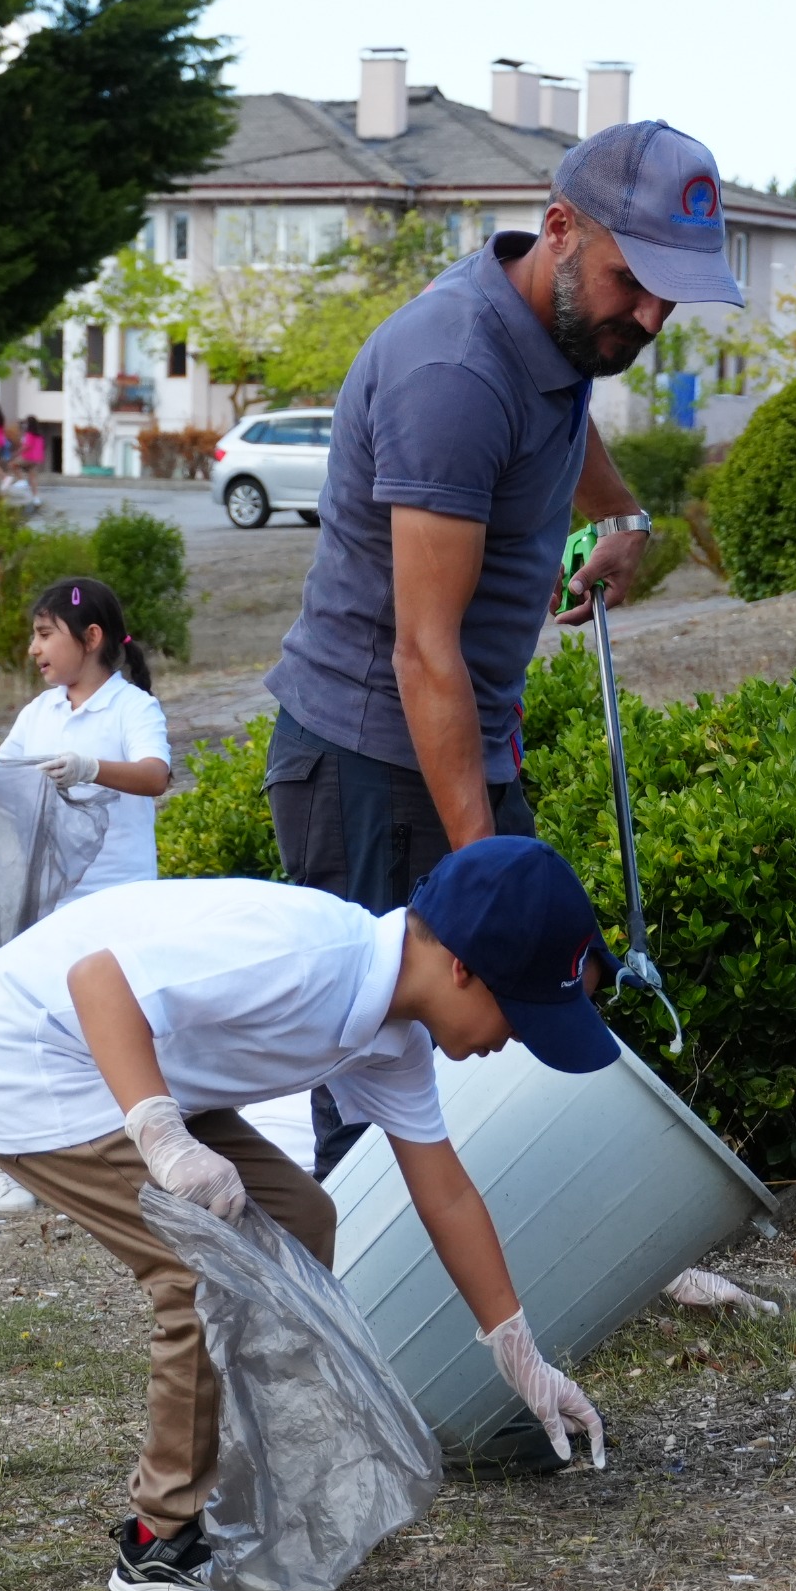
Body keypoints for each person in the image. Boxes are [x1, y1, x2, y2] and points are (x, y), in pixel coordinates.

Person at [0, 834, 613, 1591]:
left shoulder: (395, 1037)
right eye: (520, 1014)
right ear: (461, 967)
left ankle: (245, 1481)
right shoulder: (308, 953)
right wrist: (162, 1136)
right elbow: (98, 980)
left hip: (125, 1063)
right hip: (31, 1057)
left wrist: (519, 1352)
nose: (515, 1038)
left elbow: (445, 1193)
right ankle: (159, 1544)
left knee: (298, 1217)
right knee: (202, 1267)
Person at [262, 119, 746, 1176]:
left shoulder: (560, 324)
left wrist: (617, 513)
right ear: (560, 229)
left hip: (459, 734)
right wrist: (490, 875)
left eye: (674, 293)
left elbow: (563, 399)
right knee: (381, 1059)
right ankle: (370, 1318)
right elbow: (421, 652)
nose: (653, 315)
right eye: (634, 281)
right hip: (372, 753)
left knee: (509, 1025)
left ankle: (508, 1280)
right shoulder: (452, 371)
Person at [0, 575, 172, 1214]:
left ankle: (150, 1152)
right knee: (33, 1025)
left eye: (43, 633)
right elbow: (3, 777)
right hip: (54, 904)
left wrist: (90, 768)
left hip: (123, 904)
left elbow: (154, 776)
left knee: (131, 1032)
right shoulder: (40, 713)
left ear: (90, 639)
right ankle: (12, 1160)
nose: (33, 649)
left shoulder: (131, 708)